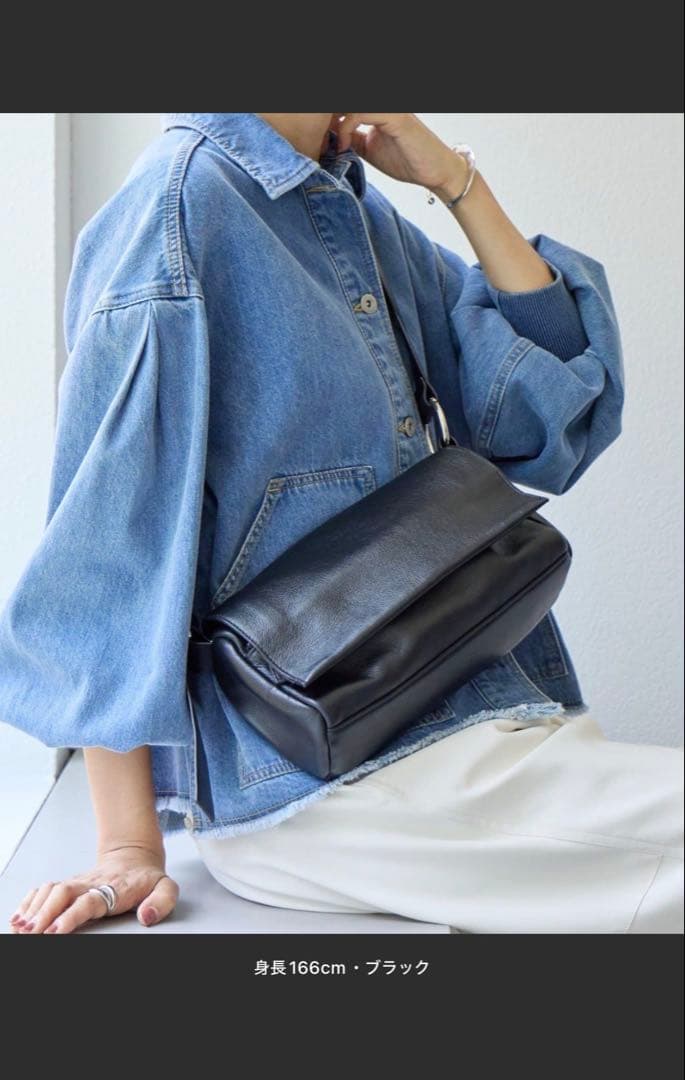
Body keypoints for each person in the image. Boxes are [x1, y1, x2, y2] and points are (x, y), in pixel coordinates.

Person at [1, 113, 682, 935]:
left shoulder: (348, 206)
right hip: (319, 782)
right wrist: (126, 845)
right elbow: (108, 545)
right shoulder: (178, 206)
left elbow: (545, 420)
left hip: (469, 718)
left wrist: (456, 184)